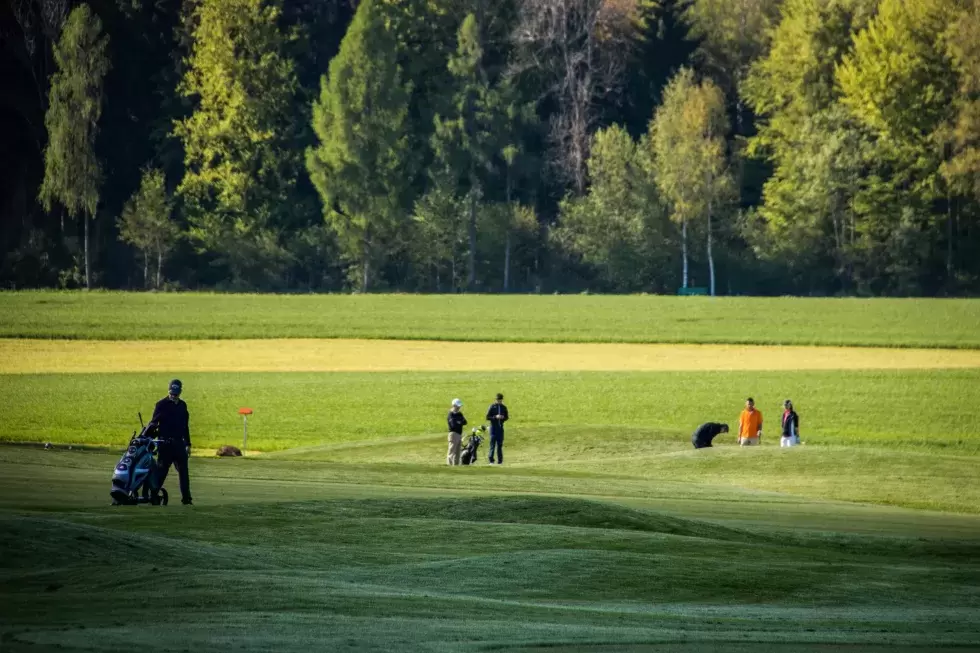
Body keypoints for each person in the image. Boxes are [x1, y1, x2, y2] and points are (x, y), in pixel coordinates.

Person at [150, 379, 192, 505]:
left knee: (184, 473)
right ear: (169, 391)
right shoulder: (161, 405)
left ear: (180, 392)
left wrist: (188, 444)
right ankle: (153, 496)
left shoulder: (183, 406)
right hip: (165, 444)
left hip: (179, 444)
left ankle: (187, 500)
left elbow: (185, 426)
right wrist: (149, 437)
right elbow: (153, 423)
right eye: (171, 393)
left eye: (176, 394)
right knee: (161, 472)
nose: (173, 396)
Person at [485, 393, 509, 464]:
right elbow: (487, 417)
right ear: (496, 399)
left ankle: (500, 461)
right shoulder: (492, 407)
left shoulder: (504, 407)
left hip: (500, 428)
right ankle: (491, 460)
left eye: (500, 400)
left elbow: (507, 417)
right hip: (493, 429)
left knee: (499, 445)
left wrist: (503, 418)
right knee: (492, 445)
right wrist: (495, 417)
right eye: (498, 400)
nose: (499, 401)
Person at [447, 398, 467, 466]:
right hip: (453, 434)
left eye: (459, 406)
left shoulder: (459, 414)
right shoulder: (451, 414)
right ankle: (449, 464)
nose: (459, 407)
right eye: (458, 406)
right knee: (451, 451)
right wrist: (459, 422)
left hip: (459, 434)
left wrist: (459, 422)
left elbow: (465, 422)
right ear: (454, 405)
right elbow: (453, 425)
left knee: (458, 452)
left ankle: (456, 465)